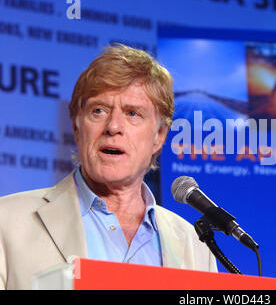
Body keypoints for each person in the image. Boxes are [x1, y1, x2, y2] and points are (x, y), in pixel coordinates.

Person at [0, 44, 217, 290]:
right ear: (76, 127)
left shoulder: (195, 245)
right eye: (98, 110)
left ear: (159, 135)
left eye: (133, 113)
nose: (113, 126)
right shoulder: (6, 223)